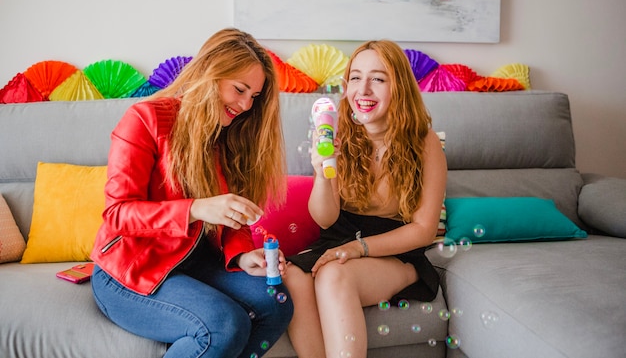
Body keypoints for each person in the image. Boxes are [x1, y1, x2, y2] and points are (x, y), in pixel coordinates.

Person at [90, 28, 294, 358]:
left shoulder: (229, 136)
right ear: (209, 73)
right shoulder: (144, 119)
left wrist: (243, 256)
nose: (245, 105)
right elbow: (117, 215)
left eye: (254, 97)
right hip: (128, 272)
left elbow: (232, 217)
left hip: (193, 263)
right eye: (239, 89)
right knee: (224, 325)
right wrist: (195, 209)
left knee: (276, 305)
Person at [284, 39, 447, 358]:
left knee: (333, 274)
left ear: (398, 86)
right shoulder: (338, 132)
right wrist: (322, 170)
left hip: (396, 251)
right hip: (338, 239)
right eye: (356, 77)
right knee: (292, 277)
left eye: (378, 78)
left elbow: (424, 230)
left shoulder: (423, 141)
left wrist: (357, 249)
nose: (364, 89)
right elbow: (325, 219)